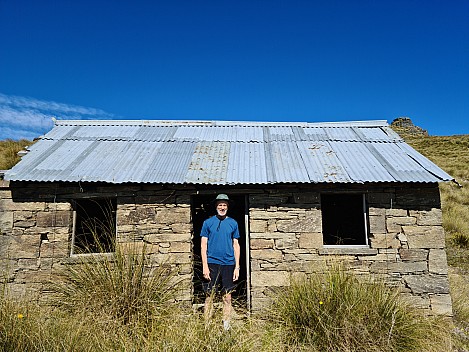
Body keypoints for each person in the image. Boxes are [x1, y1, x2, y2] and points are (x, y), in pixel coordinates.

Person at [200, 194, 240, 330]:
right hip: (212, 263)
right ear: (216, 206)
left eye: (224, 205)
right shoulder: (208, 223)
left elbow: (236, 245)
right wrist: (205, 266)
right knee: (209, 295)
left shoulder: (233, 223)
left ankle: (226, 327)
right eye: (220, 205)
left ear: (228, 207)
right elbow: (203, 244)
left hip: (229, 264)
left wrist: (237, 267)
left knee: (227, 297)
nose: (222, 207)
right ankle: (206, 326)